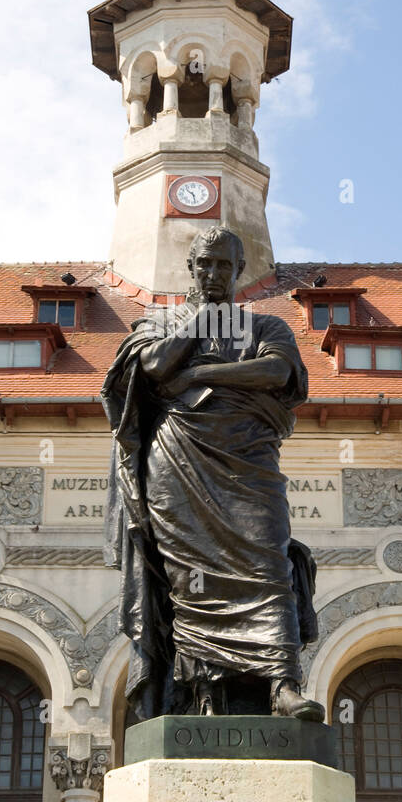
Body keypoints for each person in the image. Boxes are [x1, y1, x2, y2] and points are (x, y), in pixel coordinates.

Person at [102, 225, 323, 722]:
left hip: (249, 467)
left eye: (224, 265)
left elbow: (279, 373)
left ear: (239, 271)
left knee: (269, 563)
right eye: (205, 264)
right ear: (191, 268)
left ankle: (283, 686)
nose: (213, 273)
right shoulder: (158, 324)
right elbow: (155, 366)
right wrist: (203, 319)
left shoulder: (267, 327)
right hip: (179, 465)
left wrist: (202, 374)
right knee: (188, 581)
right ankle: (202, 695)